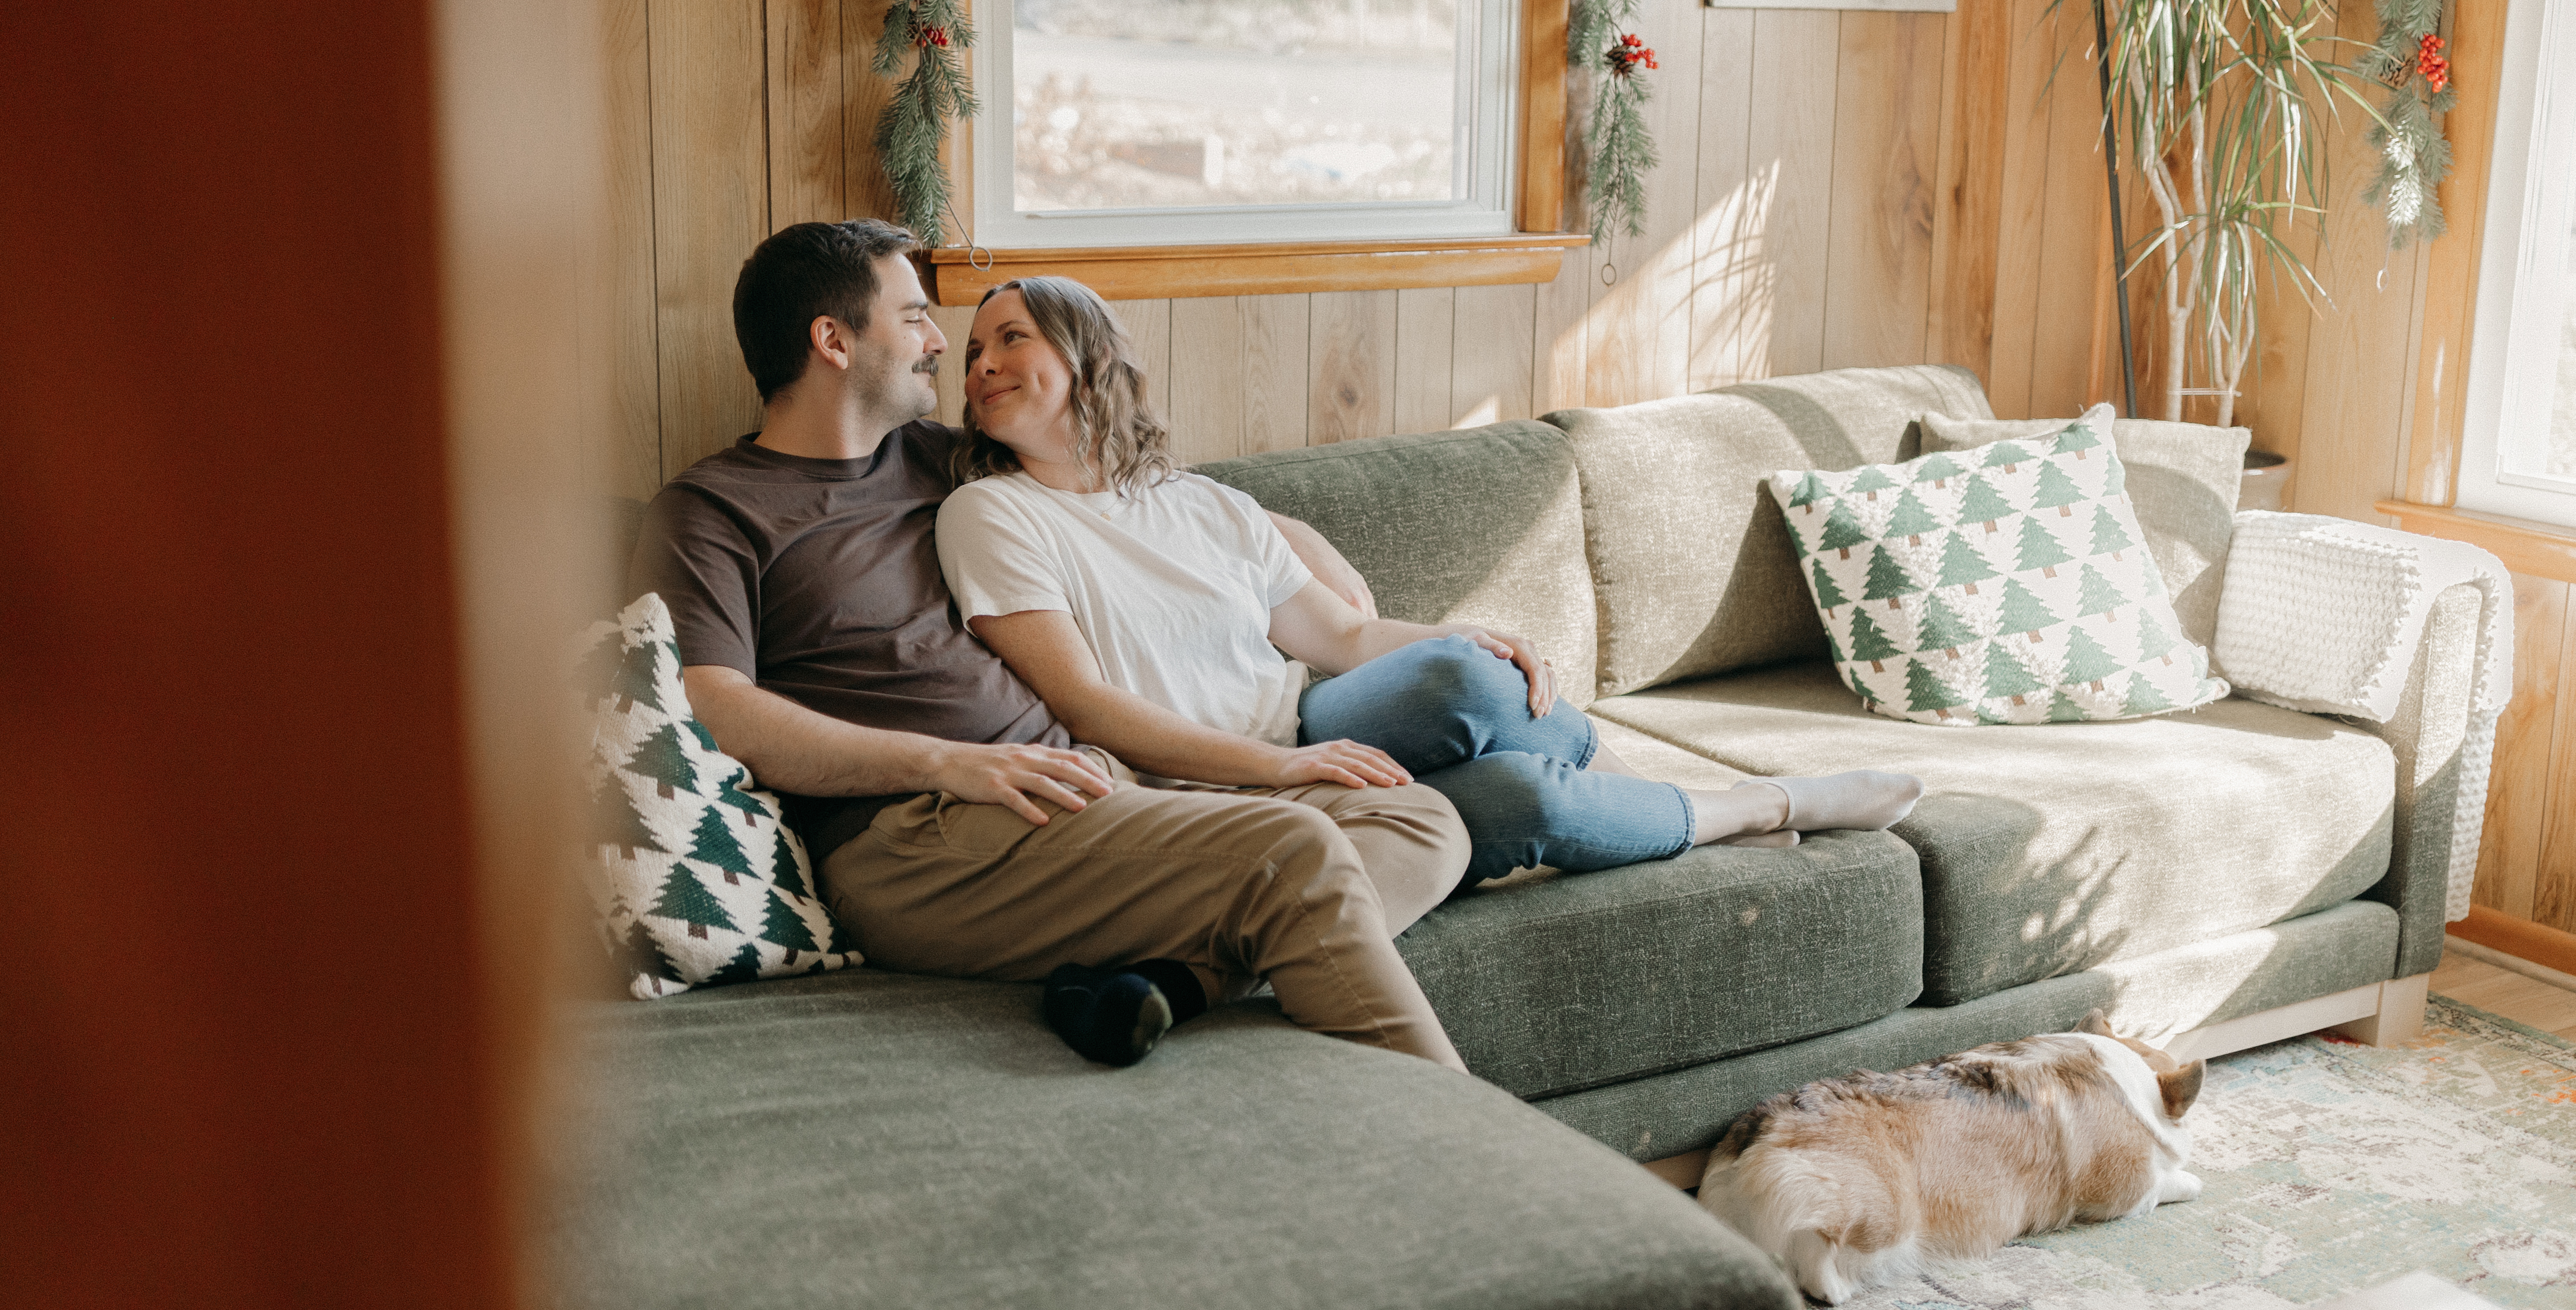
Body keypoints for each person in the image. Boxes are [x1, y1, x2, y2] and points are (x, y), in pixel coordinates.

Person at [632, 220, 1472, 1072]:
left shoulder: (941, 459)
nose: (940, 346)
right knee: (1295, 854)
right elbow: (717, 706)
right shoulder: (713, 512)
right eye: (916, 317)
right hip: (914, 840)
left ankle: (1170, 987)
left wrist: (1305, 549)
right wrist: (941, 764)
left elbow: (1145, 489)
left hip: (1074, 791)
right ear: (833, 341)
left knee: (1421, 818)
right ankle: (1468, 1157)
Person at [934, 276, 1921, 888]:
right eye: (973, 354)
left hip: (1313, 722)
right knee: (1526, 804)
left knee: (1472, 675)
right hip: (1208, 781)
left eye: (1009, 338)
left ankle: (1659, 793)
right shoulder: (991, 515)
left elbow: (1343, 641)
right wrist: (1282, 772)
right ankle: (1757, 807)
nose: (981, 365)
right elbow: (1085, 702)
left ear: (1089, 355)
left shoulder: (1199, 503)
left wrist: (1480, 641)